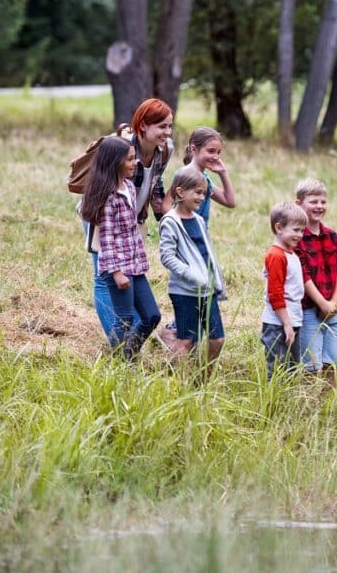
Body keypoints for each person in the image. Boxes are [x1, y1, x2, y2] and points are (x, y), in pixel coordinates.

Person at [85, 99, 174, 338]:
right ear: (143, 126)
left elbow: (156, 182)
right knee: (105, 276)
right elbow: (102, 182)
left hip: (130, 215)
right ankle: (117, 340)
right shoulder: (123, 145)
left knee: (129, 277)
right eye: (162, 127)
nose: (167, 132)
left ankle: (128, 339)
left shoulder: (165, 149)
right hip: (103, 211)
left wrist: (162, 217)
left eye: (169, 126)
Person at [79, 136, 161, 360]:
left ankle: (128, 354)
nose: (134, 163)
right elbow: (106, 238)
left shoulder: (128, 188)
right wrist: (116, 272)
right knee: (124, 319)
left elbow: (131, 231)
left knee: (152, 316)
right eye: (130, 159)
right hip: (118, 267)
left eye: (134, 158)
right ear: (115, 162)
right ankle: (118, 363)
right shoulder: (108, 196)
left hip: (134, 263)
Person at [158, 166, 227, 373]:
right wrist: (194, 276)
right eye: (197, 192)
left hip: (207, 289)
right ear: (180, 192)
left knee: (218, 339)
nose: (202, 197)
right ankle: (182, 383)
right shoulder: (170, 221)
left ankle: (202, 378)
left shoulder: (198, 220)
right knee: (186, 340)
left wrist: (215, 280)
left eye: (204, 193)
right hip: (185, 291)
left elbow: (205, 253)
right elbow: (167, 257)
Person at [293, 178, 337, 386]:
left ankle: (327, 408)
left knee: (332, 362)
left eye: (323, 202)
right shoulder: (297, 238)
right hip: (309, 310)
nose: (319, 206)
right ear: (298, 204)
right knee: (311, 364)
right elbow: (303, 273)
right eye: (313, 202)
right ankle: (307, 408)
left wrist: (334, 301)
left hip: (333, 310)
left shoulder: (332, 235)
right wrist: (322, 304)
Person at [261, 202, 308, 379]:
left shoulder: (291, 254)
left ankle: (288, 403)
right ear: (279, 228)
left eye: (302, 231)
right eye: (296, 230)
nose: (300, 235)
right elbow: (275, 293)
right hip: (278, 324)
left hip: (292, 321)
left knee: (292, 370)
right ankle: (274, 405)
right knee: (277, 371)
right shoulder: (276, 255)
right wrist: (286, 324)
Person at [180, 127, 236, 224]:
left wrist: (223, 173)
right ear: (193, 149)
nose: (216, 157)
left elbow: (230, 202)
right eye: (211, 151)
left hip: (200, 236)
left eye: (218, 152)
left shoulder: (205, 180)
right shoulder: (184, 176)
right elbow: (166, 206)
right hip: (185, 237)